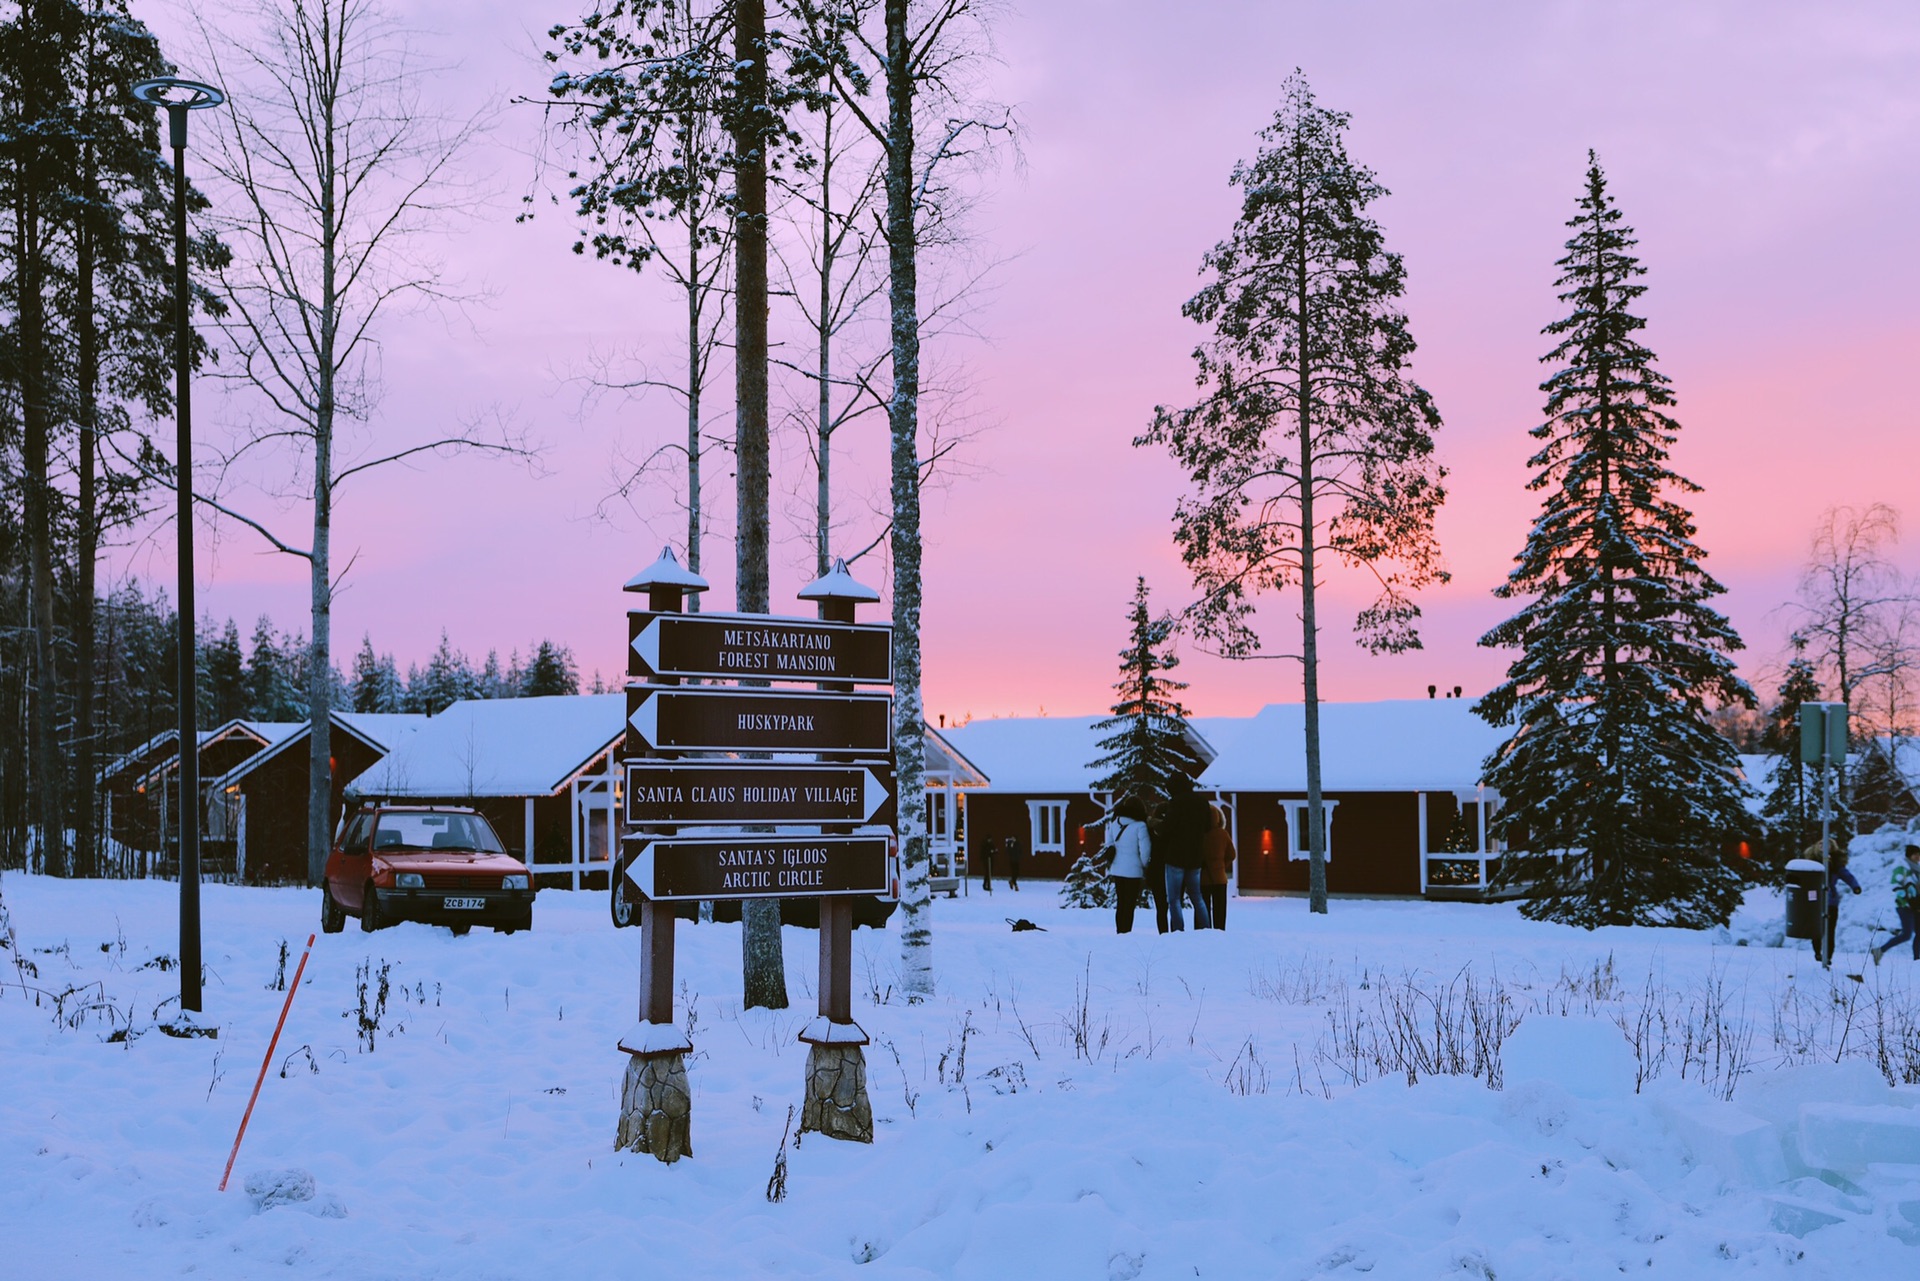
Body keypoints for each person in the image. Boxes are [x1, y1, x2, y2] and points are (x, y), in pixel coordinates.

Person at [1162, 776, 1212, 931]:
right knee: (1197, 897)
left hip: (1176, 856)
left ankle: (1178, 931)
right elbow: (1208, 827)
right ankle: (1205, 928)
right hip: (1195, 856)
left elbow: (1168, 827)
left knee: (1174, 899)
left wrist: (1158, 825)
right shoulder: (1202, 803)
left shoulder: (1176, 803)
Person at [1104, 799, 1151, 934]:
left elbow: (1109, 844)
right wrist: (1144, 864)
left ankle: (1120, 931)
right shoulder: (1140, 826)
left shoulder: (1115, 822)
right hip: (1134, 870)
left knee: (1121, 903)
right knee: (1129, 905)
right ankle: (1127, 932)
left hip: (1117, 869)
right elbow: (1145, 849)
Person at [1872, 844, 1920, 965]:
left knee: (1918, 933)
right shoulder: (1902, 867)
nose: (1918, 857)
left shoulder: (1916, 868)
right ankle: (1880, 950)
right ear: (1909, 855)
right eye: (1915, 854)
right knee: (1907, 934)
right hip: (1904, 905)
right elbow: (1895, 884)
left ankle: (1917, 960)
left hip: (1916, 905)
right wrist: (1907, 896)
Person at [1818, 843, 1862, 965]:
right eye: (1821, 845)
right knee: (1816, 929)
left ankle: (1828, 956)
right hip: (1815, 901)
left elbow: (1847, 876)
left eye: (1827, 845)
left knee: (1830, 930)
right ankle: (1817, 951)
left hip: (1830, 901)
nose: (1824, 847)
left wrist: (1855, 887)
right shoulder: (1813, 861)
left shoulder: (1836, 865)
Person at [1200, 803, 1235, 930]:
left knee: (1203, 909)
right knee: (1220, 910)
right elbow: (1232, 854)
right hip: (1219, 878)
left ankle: (1203, 932)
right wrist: (1221, 866)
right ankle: (1219, 933)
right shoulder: (1222, 834)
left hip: (1202, 878)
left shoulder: (1198, 834)